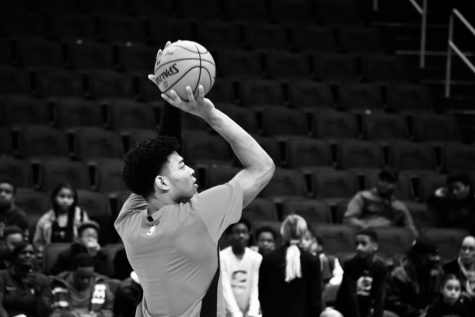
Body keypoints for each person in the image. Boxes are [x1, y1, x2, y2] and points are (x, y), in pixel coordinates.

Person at [115, 42, 275, 317]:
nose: (192, 170)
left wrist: (170, 98)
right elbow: (262, 167)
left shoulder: (128, 221)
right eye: (183, 166)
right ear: (162, 184)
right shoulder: (197, 216)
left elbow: (158, 159)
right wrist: (208, 114)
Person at [258, 214, 322, 317]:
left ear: (283, 232)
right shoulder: (312, 260)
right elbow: (315, 299)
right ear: (303, 233)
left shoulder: (268, 258)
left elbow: (262, 295)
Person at [324, 229, 386, 317]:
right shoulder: (350, 265)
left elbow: (380, 298)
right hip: (347, 312)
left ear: (375, 246)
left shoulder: (380, 267)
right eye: (357, 244)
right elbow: (351, 298)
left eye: (363, 244)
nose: (358, 248)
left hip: (367, 311)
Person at [343, 169, 419, 239]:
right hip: (365, 237)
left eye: (389, 181)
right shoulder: (363, 197)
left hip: (388, 240)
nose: (384, 184)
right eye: (382, 180)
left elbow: (412, 232)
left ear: (396, 185)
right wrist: (363, 225)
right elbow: (348, 219)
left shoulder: (399, 206)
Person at [385, 238, 444, 317]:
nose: (437, 259)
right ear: (419, 256)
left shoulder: (437, 273)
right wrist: (417, 313)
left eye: (437, 255)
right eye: (432, 255)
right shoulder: (398, 275)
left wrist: (429, 311)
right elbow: (392, 302)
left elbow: (438, 298)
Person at [220, 218, 262, 317]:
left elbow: (255, 287)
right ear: (230, 236)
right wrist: (236, 314)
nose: (241, 236)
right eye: (237, 232)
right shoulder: (222, 257)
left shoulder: (256, 258)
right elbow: (225, 288)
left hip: (250, 311)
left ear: (249, 235)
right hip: (228, 311)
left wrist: (252, 313)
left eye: (244, 232)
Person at [50, 253, 114, 317]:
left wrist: (96, 315)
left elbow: (108, 311)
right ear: (73, 271)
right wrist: (67, 315)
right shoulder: (58, 285)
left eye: (89, 277)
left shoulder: (101, 285)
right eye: (81, 277)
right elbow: (54, 313)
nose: (85, 281)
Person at [0, 241, 51, 317]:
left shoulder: (43, 280)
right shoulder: (3, 275)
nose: (28, 255)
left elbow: (45, 313)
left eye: (31, 253)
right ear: (15, 257)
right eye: (23, 253)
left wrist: (38, 292)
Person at [34, 183, 89, 253]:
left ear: (74, 199)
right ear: (54, 198)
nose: (65, 201)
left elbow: (88, 238)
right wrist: (46, 252)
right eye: (62, 196)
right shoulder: (45, 219)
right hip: (53, 255)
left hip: (75, 256)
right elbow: (38, 243)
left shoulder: (81, 216)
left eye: (69, 197)